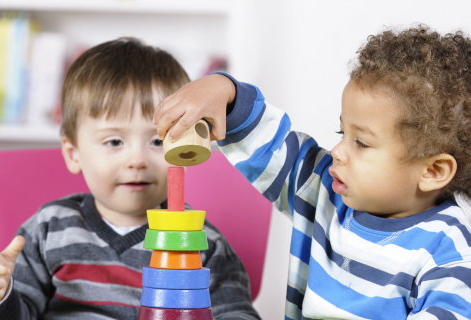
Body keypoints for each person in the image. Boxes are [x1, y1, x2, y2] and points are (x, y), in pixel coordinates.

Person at [153, 25, 471, 320]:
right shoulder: (325, 191)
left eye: (361, 142)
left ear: (433, 170)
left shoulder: (449, 256)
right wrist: (224, 91)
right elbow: (272, 147)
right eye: (341, 133)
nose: (338, 151)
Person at [0, 37, 261, 320]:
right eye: (115, 141)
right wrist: (1, 295)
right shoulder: (49, 229)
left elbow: (236, 313)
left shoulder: (199, 239)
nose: (137, 160)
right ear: (73, 154)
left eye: (158, 141)